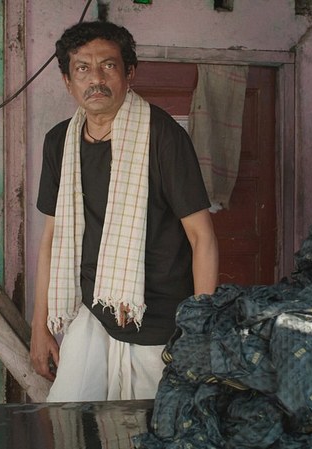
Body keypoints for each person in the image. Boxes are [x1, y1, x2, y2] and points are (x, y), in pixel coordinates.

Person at [31, 20, 219, 402]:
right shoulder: (59, 143)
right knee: (71, 418)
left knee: (153, 424)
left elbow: (202, 238)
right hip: (90, 311)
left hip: (159, 319)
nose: (95, 79)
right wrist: (39, 325)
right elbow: (51, 238)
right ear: (67, 81)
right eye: (82, 68)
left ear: (129, 73)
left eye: (108, 66)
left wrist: (200, 330)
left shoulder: (163, 137)